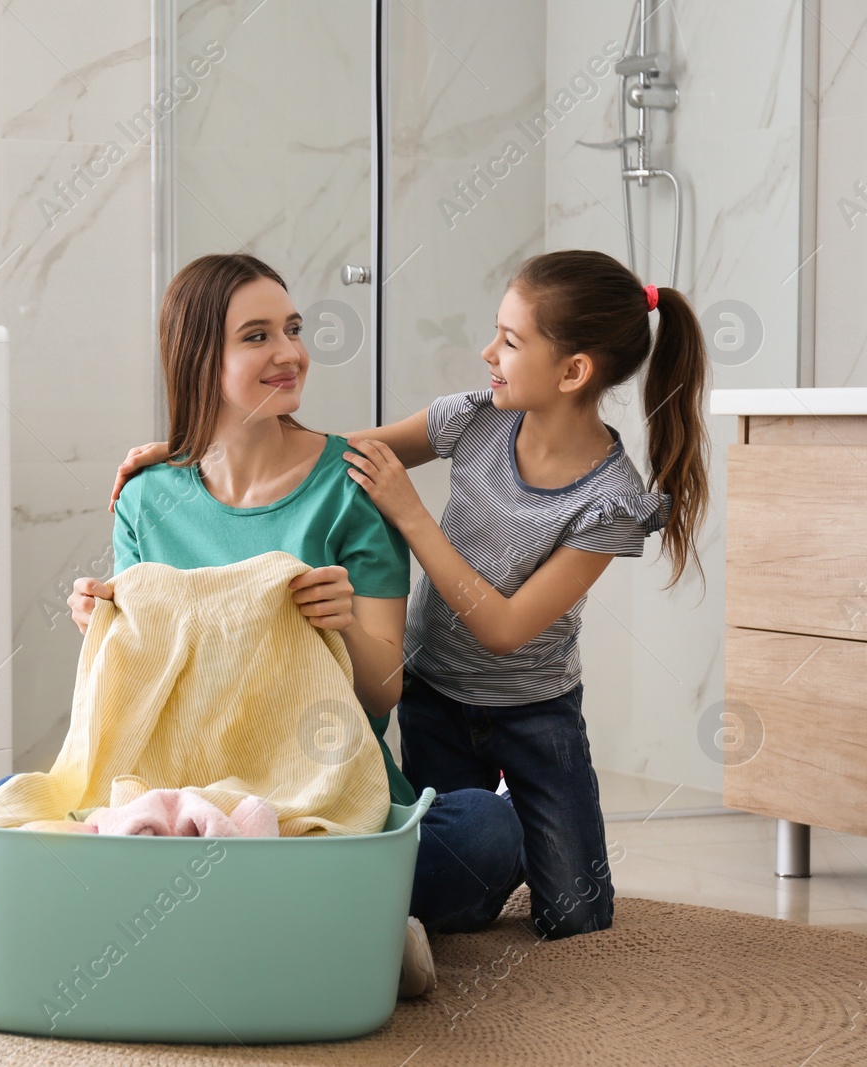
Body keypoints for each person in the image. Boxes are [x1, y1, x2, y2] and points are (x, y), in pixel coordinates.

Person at [116, 249, 709, 941]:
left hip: (534, 707)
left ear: (574, 371)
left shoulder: (610, 503)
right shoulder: (476, 417)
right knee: (441, 859)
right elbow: (332, 451)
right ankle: (366, 918)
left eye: (511, 341)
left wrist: (409, 515)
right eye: (257, 336)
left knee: (574, 914)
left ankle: (377, 901)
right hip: (437, 694)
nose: (489, 351)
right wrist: (189, 446)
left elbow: (506, 628)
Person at [75, 252, 526, 997]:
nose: (289, 352)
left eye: (292, 328)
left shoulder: (352, 486)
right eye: (256, 336)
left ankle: (232, 916)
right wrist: (98, 624)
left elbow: (382, 693)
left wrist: (341, 622)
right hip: (189, 794)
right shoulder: (146, 498)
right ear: (198, 358)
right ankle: (354, 922)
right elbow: (133, 685)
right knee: (13, 798)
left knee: (486, 829)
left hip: (324, 798)